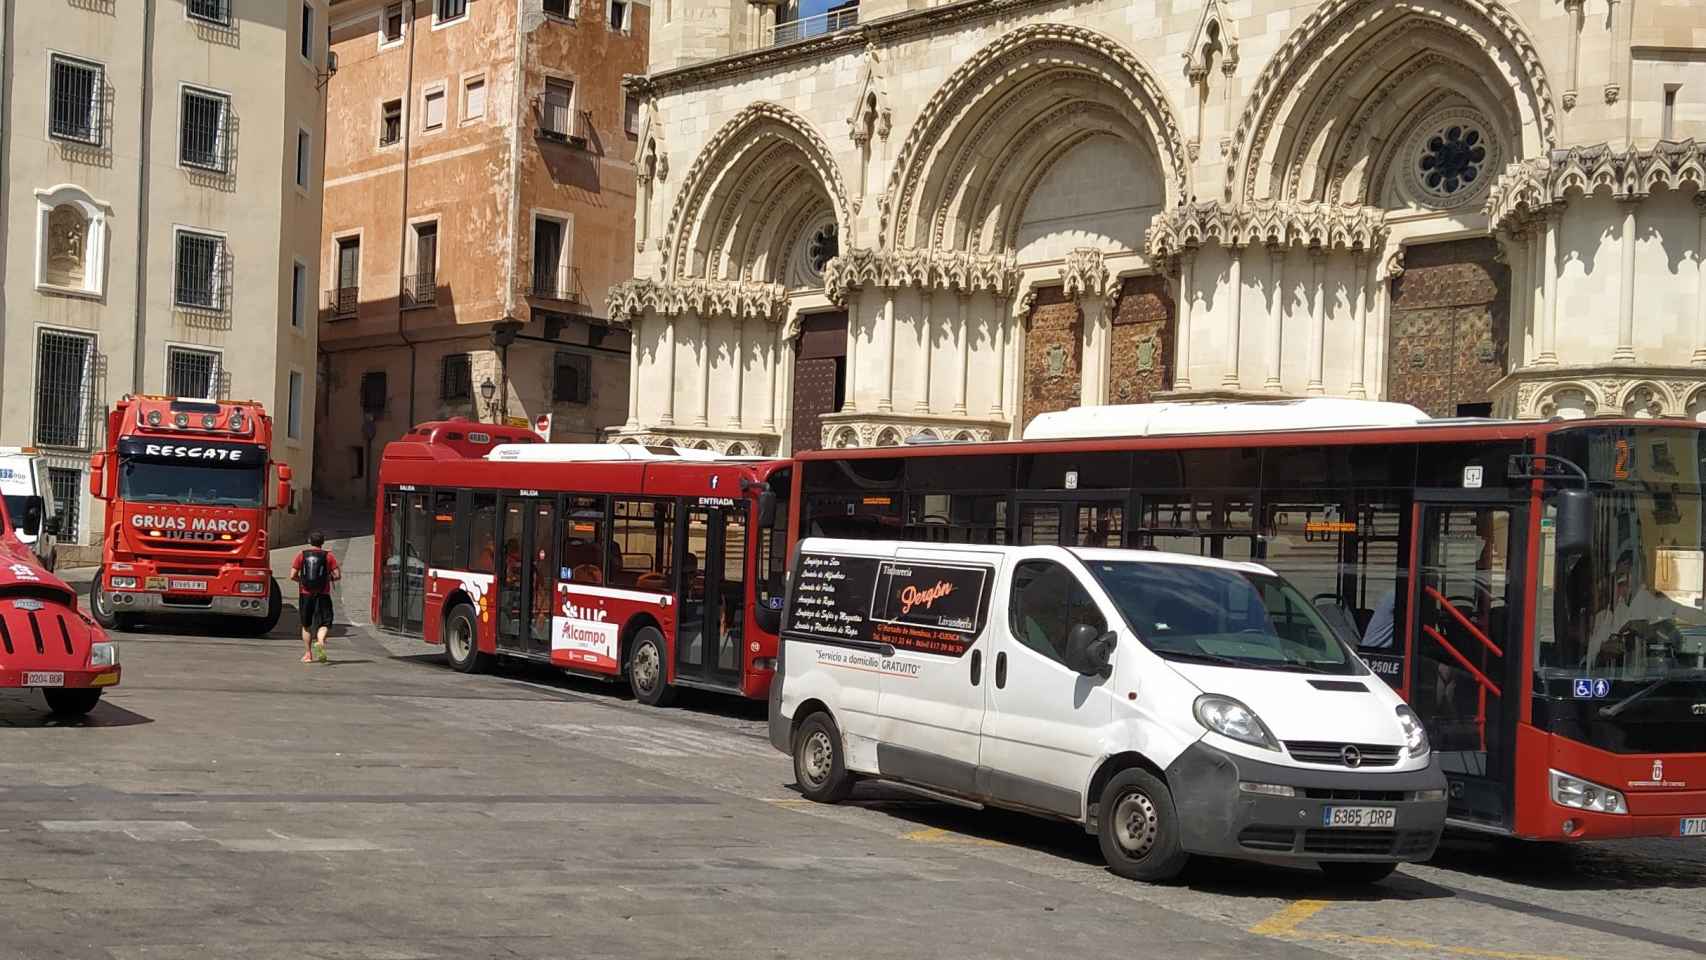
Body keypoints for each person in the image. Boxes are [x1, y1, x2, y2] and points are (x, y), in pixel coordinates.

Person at [291, 531, 342, 663]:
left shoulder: (301, 555)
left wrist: (302, 582)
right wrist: (327, 579)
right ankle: (320, 641)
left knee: (306, 625)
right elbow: (337, 575)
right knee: (324, 623)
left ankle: (308, 654)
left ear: (309, 541)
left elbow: (292, 575)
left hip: (305, 593)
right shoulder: (329, 556)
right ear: (323, 542)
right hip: (323, 593)